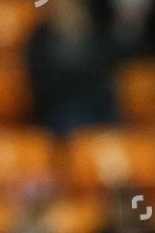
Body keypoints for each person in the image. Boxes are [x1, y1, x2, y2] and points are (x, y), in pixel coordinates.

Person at [24, 0, 119, 136]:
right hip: (55, 115)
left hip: (99, 112)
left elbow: (106, 80)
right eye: (61, 9)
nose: (68, 14)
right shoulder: (39, 40)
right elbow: (41, 87)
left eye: (72, 9)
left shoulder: (100, 37)